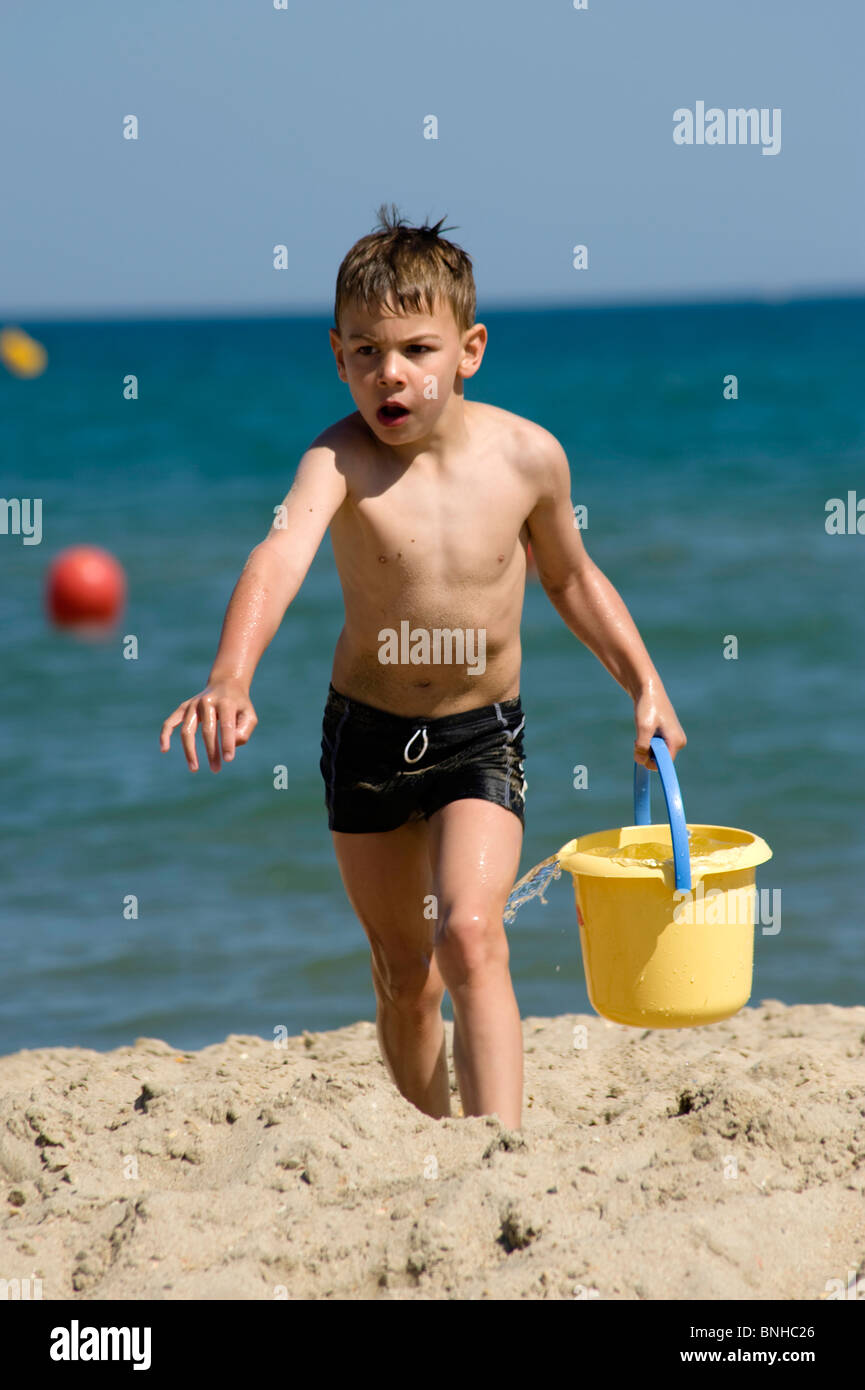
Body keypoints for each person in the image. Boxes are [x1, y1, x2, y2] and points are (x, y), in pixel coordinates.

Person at [160, 204, 686, 1131]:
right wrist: (229, 676)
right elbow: (277, 559)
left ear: (468, 349)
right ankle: (432, 1144)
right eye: (364, 351)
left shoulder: (527, 458)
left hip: (481, 733)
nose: (389, 373)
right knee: (407, 977)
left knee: (471, 935)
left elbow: (570, 577)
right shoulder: (336, 460)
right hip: (364, 733)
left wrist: (643, 684)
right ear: (337, 357)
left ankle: (501, 1155)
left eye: (415, 349)